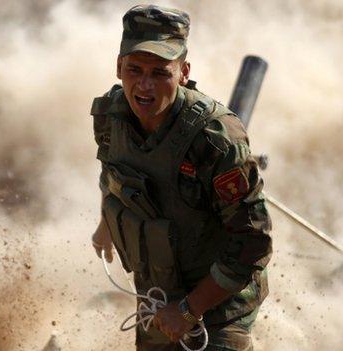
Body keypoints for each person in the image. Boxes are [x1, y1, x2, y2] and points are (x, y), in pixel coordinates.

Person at [90, 5, 272, 351]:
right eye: (134, 69)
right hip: (159, 298)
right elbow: (111, 173)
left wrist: (190, 309)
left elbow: (254, 242)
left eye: (160, 72)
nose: (144, 85)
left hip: (220, 306)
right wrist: (106, 224)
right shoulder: (110, 116)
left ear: (184, 72)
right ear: (119, 67)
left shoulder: (216, 139)